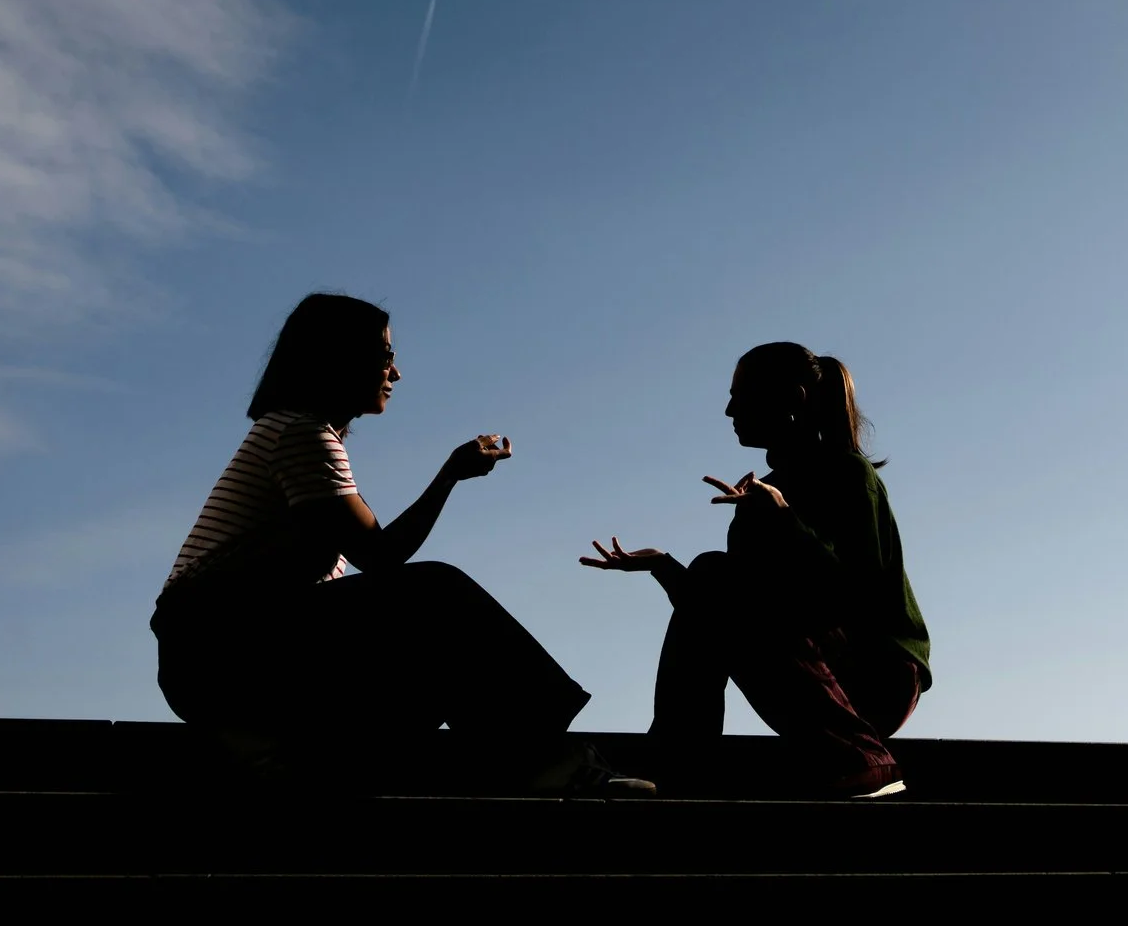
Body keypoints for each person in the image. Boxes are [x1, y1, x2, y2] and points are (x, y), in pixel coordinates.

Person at [154, 292, 648, 794]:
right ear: (338, 358)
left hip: (216, 656)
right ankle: (544, 759)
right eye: (386, 355)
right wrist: (449, 477)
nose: (396, 372)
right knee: (437, 592)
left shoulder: (295, 433)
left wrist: (450, 474)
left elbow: (372, 552)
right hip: (218, 651)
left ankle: (300, 755)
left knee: (429, 652)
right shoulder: (300, 435)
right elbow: (380, 556)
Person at [581, 342, 930, 798]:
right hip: (811, 670)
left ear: (793, 399)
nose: (729, 410)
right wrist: (663, 568)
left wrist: (784, 519)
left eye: (740, 396)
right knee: (711, 572)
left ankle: (862, 757)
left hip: (877, 676)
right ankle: (675, 766)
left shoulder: (846, 474)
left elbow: (851, 595)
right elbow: (725, 617)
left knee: (714, 572)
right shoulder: (762, 496)